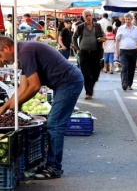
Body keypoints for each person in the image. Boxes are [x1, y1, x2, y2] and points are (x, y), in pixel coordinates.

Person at [0, 36, 83, 180]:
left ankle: (54, 167)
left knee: (55, 124)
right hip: (63, 83)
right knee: (54, 122)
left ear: (7, 48)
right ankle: (51, 163)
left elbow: (34, 86)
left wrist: (17, 104)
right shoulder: (24, 52)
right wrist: (4, 108)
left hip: (69, 82)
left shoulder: (25, 52)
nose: (2, 61)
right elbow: (22, 87)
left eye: (0, 56)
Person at [72, 10, 105, 100]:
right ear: (83, 17)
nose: (88, 17)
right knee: (85, 73)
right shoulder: (80, 27)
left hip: (95, 53)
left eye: (89, 15)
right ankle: (88, 92)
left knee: (96, 74)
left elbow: (103, 36)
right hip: (84, 53)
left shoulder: (97, 26)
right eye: (86, 16)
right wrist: (77, 48)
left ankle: (90, 86)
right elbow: (74, 37)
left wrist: (101, 39)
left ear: (92, 16)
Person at [115, 13, 137, 91]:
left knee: (131, 68)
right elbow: (117, 41)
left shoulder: (136, 29)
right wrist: (116, 52)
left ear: (131, 19)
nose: (127, 21)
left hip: (133, 51)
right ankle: (124, 83)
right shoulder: (121, 28)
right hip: (123, 51)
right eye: (126, 19)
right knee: (124, 67)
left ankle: (129, 84)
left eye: (129, 19)